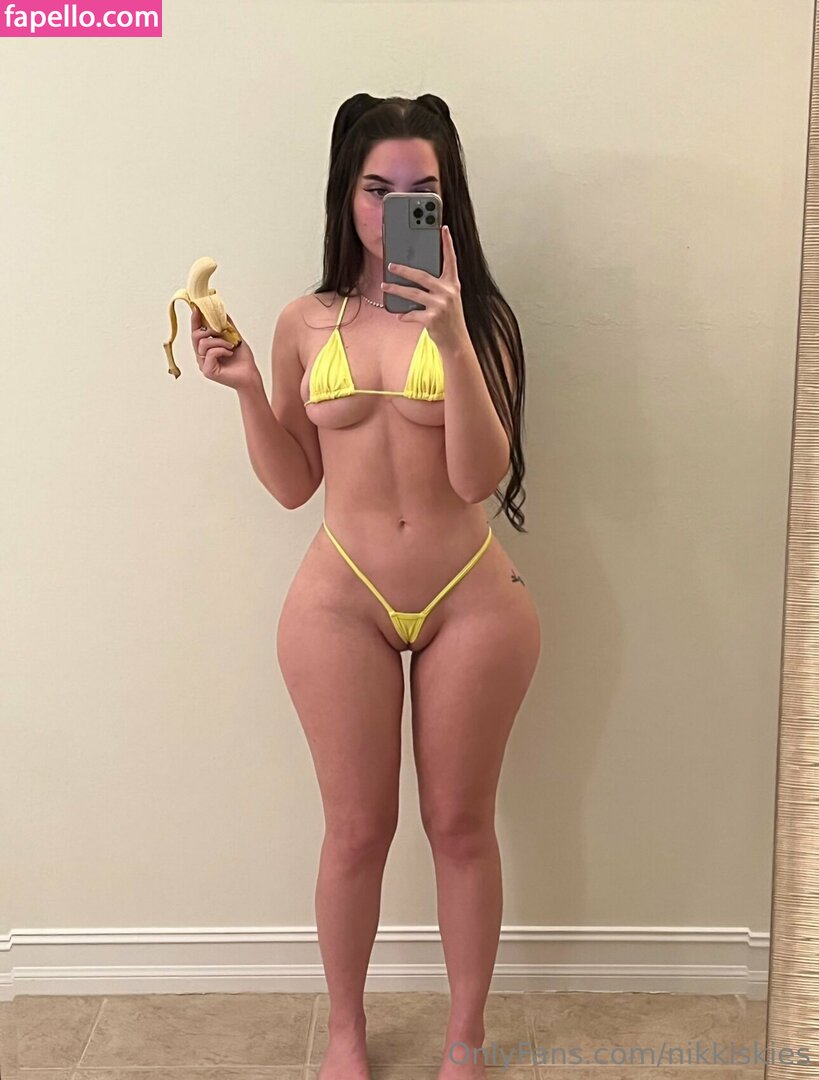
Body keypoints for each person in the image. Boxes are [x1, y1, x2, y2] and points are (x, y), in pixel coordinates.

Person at [192, 93, 542, 1080]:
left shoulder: (481, 321)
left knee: (459, 826)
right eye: (375, 189)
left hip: (470, 593)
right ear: (345, 198)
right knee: (354, 831)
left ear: (447, 201)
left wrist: (453, 341)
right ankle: (345, 1032)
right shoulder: (305, 321)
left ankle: (464, 1038)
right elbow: (291, 483)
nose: (395, 210)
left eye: (419, 192)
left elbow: (477, 478)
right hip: (339, 596)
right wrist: (246, 390)